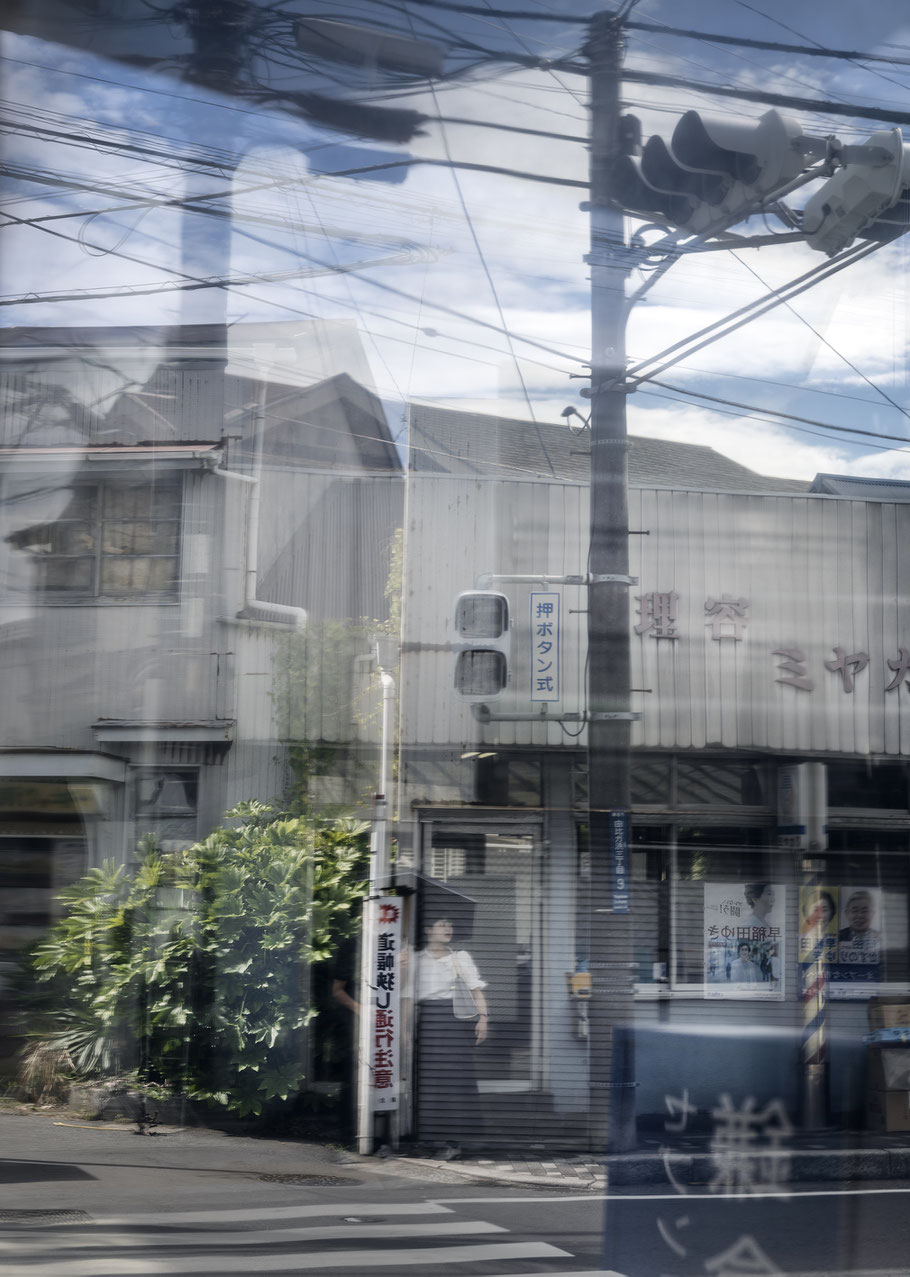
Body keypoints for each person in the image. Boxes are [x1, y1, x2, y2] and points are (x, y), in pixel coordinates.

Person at [415, 915, 488, 1153]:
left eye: (450, 924)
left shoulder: (460, 958)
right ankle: (428, 1137)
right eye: (442, 924)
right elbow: (406, 997)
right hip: (425, 1022)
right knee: (428, 1080)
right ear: (428, 929)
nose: (448, 928)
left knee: (455, 1079)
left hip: (454, 1022)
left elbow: (476, 990)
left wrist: (484, 1019)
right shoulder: (416, 960)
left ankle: (454, 1142)